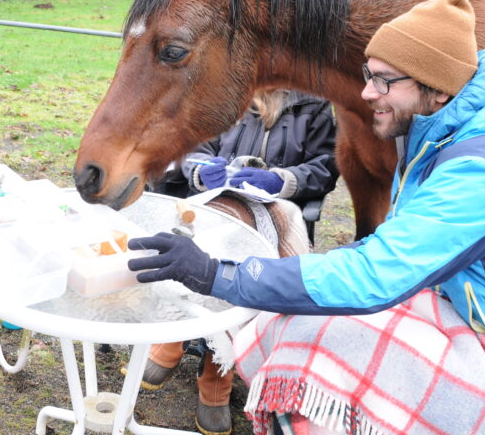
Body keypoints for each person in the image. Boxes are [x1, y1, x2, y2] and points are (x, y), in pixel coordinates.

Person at [128, 0, 485, 435]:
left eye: (384, 80)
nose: (367, 92)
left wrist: (217, 274)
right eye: (368, 74)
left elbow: (375, 275)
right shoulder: (442, 138)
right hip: (468, 313)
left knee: (321, 354)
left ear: (436, 87)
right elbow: (391, 252)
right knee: (297, 325)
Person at [144, 89, 339, 435]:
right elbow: (193, 147)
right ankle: (175, 336)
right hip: (217, 204)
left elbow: (326, 167)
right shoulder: (226, 89)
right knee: (203, 243)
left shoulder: (315, 104)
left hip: (277, 212)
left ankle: (216, 374)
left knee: (240, 256)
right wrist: (202, 171)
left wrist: (282, 179)